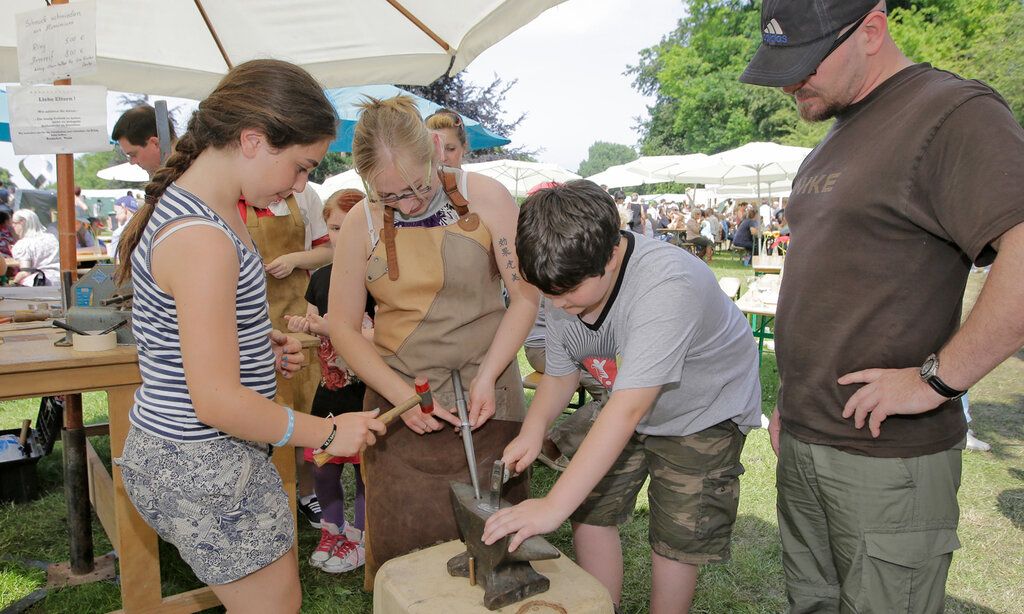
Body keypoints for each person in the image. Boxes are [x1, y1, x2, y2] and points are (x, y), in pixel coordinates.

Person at [739, 1, 1024, 611]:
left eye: (805, 62)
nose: (789, 81)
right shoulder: (831, 141)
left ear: (872, 30)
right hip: (807, 438)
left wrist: (937, 381)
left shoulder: (951, 113)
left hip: (887, 458)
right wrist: (794, 401)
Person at [110, 59, 386, 612]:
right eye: (302, 166)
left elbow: (194, 325)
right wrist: (327, 434)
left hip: (201, 455)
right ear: (255, 140)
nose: (300, 184)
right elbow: (214, 401)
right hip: (200, 459)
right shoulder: (201, 236)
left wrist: (257, 339)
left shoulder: (209, 211)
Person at [481, 181, 761, 614]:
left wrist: (552, 505)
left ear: (611, 255)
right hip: (625, 405)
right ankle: (601, 607)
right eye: (549, 297)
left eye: (568, 295)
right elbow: (561, 373)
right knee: (590, 508)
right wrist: (533, 431)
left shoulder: (666, 285)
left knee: (676, 538)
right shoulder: (563, 279)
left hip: (703, 412)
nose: (556, 308)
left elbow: (628, 409)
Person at [327, 95, 539, 585]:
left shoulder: (485, 197)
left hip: (491, 402)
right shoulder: (361, 221)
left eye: (420, 186)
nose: (411, 204)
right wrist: (403, 398)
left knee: (497, 556)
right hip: (400, 413)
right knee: (409, 563)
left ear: (435, 151)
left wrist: (488, 377)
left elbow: (525, 299)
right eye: (391, 197)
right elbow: (342, 327)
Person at [285, 189, 373, 574]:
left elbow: (382, 335)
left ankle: (362, 534)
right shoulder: (320, 278)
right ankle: (331, 530)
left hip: (366, 390)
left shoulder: (375, 279)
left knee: (366, 469)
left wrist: (333, 329)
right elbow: (313, 321)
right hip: (330, 389)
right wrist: (304, 326)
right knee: (324, 465)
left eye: (346, 227)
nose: (338, 236)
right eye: (333, 228)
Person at [112, 104, 178, 176]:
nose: (132, 162)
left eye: (133, 155)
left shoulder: (186, 179)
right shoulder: (185, 173)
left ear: (156, 144)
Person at [11, 209, 60, 286]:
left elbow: (25, 272)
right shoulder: (52, 238)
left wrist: (13, 283)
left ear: (22, 222)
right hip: (60, 280)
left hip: (40, 283)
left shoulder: (24, 244)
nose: (13, 226)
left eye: (14, 223)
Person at [107, 193, 138, 261]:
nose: (116, 216)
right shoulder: (145, 225)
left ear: (124, 208)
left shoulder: (118, 233)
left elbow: (114, 260)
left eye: (116, 212)